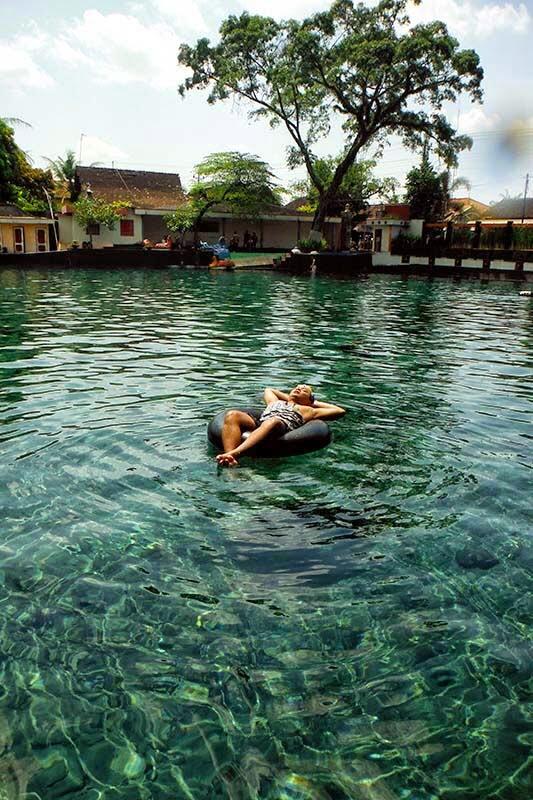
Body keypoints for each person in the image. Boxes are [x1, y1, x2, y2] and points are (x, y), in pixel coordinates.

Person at [216, 385, 346, 467]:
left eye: (304, 390)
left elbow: (339, 411)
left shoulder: (310, 410)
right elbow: (269, 389)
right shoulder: (275, 402)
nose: (298, 389)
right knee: (232, 415)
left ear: (310, 399)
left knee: (272, 421)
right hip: (262, 422)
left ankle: (235, 454)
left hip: (282, 426)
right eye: (296, 387)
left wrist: (312, 403)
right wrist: (290, 398)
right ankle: (229, 459)